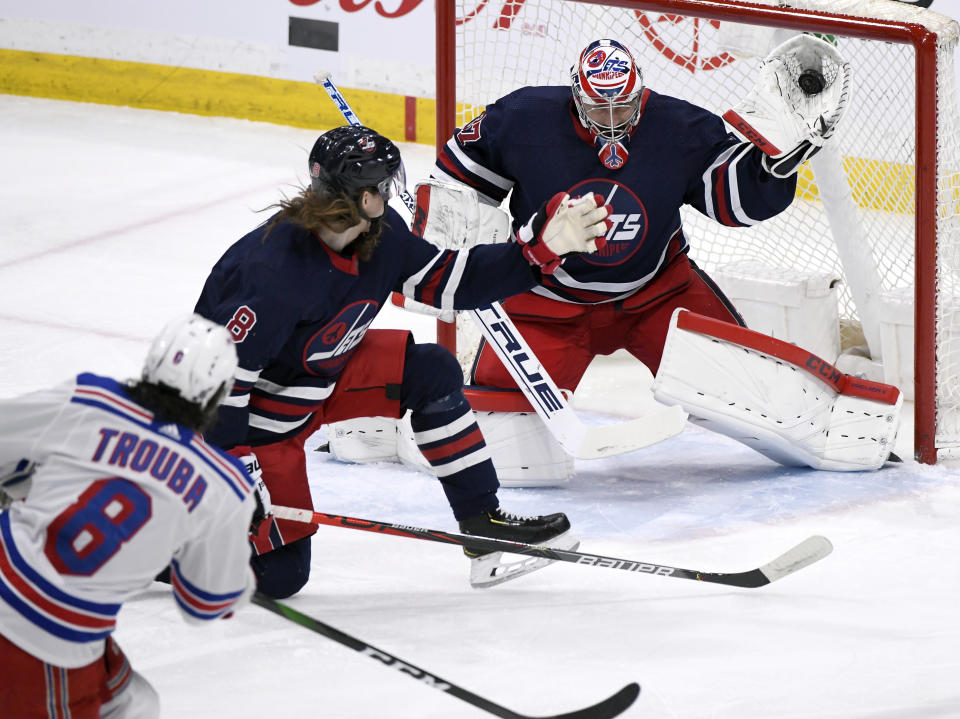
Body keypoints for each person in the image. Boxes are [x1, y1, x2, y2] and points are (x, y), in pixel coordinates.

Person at [193, 123, 611, 598]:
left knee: (432, 371)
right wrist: (234, 470)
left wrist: (538, 251)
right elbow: (214, 384)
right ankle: (163, 552)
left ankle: (483, 525)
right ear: (362, 196)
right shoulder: (270, 270)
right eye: (382, 185)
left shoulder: (379, 234)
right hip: (250, 427)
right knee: (282, 575)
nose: (389, 193)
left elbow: (454, 283)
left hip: (318, 379)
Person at [0, 314, 257, 719]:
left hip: (21, 594)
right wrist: (235, 585)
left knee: (134, 702)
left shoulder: (89, 400)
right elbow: (205, 604)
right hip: (43, 640)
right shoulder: (224, 487)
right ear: (217, 395)